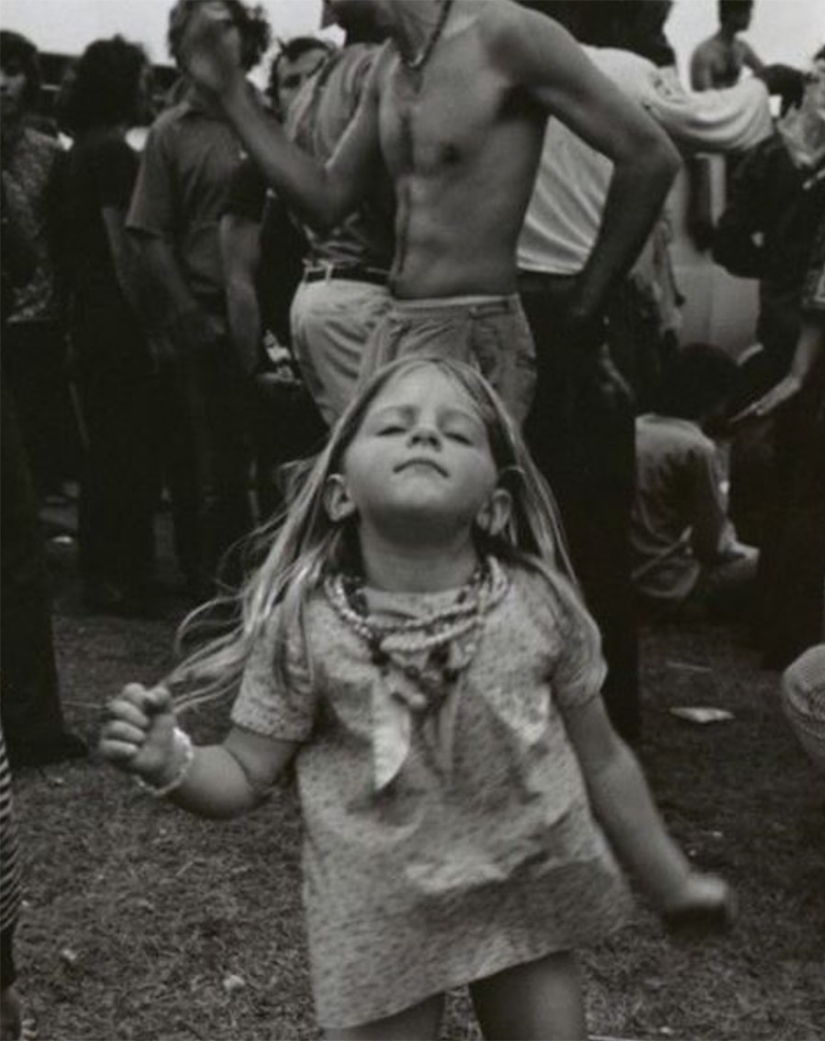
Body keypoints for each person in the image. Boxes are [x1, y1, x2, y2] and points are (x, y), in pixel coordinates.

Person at [101, 357, 733, 1040]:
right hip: (379, 904)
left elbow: (604, 759)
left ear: (494, 503)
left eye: (457, 435)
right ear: (341, 493)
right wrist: (172, 761)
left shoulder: (541, 602)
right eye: (395, 426)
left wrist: (671, 881)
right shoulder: (306, 625)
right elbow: (247, 773)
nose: (425, 437)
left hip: (519, 880)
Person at [178, 0, 680, 425]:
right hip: (397, 325)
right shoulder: (391, 66)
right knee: (387, 519)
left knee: (465, 522)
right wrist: (231, 94)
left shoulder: (503, 32)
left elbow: (650, 156)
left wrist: (584, 308)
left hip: (475, 327)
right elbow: (326, 200)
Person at [127, 0, 270, 597]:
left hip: (271, 320)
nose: (215, 41)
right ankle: (215, 593)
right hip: (208, 317)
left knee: (271, 461)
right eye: (197, 33)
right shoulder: (170, 132)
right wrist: (186, 311)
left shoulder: (272, 115)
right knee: (214, 469)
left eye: (226, 27)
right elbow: (149, 232)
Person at [60, 37, 160, 616]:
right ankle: (124, 573)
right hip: (117, 319)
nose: (150, 90)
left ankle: (103, 569)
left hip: (88, 313)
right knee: (130, 449)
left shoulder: (82, 150)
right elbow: (125, 248)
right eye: (143, 79)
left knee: (105, 449)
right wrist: (150, 325)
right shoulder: (115, 157)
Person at [1, 30, 78, 502]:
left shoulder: (48, 153)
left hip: (37, 315)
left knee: (30, 443)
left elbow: (64, 239)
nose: (0, 83)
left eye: (10, 72)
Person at [632, 344, 758, 620]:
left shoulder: (636, 427)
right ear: (715, 398)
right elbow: (711, 545)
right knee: (769, 563)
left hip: (627, 576)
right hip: (668, 585)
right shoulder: (697, 448)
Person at [690, 0, 764, 92]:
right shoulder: (705, 52)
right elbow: (703, 96)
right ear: (731, 14)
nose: (750, 17)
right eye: (746, 12)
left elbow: (766, 74)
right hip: (711, 104)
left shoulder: (742, 48)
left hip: (736, 104)